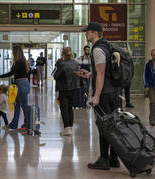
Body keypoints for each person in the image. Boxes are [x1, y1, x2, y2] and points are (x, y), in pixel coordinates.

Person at [82, 22, 120, 170]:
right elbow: (104, 71)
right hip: (114, 92)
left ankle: (104, 159)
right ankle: (114, 159)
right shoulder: (106, 46)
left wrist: (96, 96)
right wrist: (92, 74)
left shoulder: (97, 49)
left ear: (95, 33)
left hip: (104, 95)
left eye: (88, 32)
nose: (86, 34)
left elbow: (102, 73)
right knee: (113, 126)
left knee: (103, 126)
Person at [0, 45, 30, 130]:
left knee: (23, 105)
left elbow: (11, 73)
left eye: (13, 51)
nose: (12, 53)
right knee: (17, 105)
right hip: (23, 83)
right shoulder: (21, 61)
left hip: (21, 84)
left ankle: (28, 124)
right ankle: (14, 124)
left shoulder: (20, 62)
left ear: (16, 52)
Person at [54, 47, 80, 136]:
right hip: (73, 88)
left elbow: (56, 76)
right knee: (70, 108)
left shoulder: (62, 64)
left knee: (64, 109)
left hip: (64, 88)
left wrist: (57, 68)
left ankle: (66, 129)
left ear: (63, 54)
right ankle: (70, 128)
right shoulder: (75, 63)